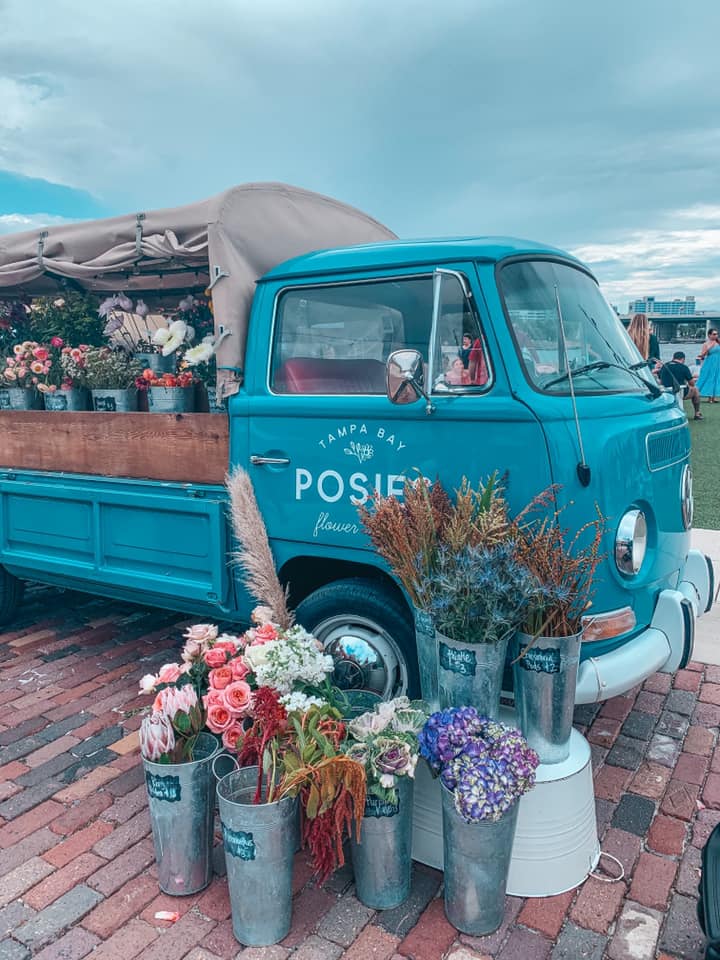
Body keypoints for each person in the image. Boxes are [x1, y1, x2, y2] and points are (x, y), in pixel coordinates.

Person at [659, 351, 703, 420]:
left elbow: (661, 381)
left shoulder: (664, 366)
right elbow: (692, 383)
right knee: (695, 390)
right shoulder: (684, 367)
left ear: (673, 358)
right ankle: (697, 413)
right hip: (680, 391)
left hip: (666, 392)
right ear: (683, 359)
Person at [696, 328, 720, 403]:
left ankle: (714, 397)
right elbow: (702, 355)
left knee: (717, 378)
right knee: (709, 378)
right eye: (714, 334)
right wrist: (710, 347)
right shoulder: (705, 344)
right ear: (709, 335)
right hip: (709, 363)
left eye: (717, 334)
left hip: (718, 362)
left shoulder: (718, 342)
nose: (716, 335)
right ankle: (708, 397)